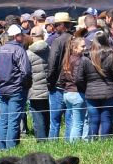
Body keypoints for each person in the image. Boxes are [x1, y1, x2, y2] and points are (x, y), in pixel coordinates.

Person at [76, 33, 113, 138]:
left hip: (91, 93)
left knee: (93, 119)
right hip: (109, 92)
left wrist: (86, 88)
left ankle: (93, 140)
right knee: (106, 117)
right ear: (106, 41)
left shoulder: (86, 57)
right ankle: (104, 141)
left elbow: (78, 79)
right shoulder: (111, 55)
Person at [0, 24, 31, 149]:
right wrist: (24, 86)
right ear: (16, 36)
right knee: (13, 121)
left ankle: (2, 149)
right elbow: (25, 72)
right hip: (16, 90)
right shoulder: (19, 50)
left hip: (2, 90)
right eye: (21, 35)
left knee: (4, 120)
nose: (23, 37)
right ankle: (11, 149)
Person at [47, 12, 74, 140]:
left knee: (55, 119)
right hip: (72, 84)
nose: (55, 28)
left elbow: (52, 64)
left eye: (57, 25)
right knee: (70, 118)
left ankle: (53, 143)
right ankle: (69, 142)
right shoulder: (75, 39)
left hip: (58, 84)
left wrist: (49, 82)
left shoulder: (58, 41)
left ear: (63, 25)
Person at [59, 37, 86, 142]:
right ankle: (74, 145)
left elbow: (61, 79)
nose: (85, 48)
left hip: (67, 94)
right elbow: (78, 79)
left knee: (72, 121)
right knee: (78, 123)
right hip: (76, 94)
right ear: (75, 48)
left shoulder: (67, 59)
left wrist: (66, 87)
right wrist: (84, 88)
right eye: (82, 46)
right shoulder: (79, 60)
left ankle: (69, 142)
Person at [26, 26, 50, 141]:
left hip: (34, 89)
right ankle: (49, 137)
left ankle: (41, 140)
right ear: (43, 36)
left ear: (32, 36)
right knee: (47, 115)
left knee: (37, 116)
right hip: (48, 88)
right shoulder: (50, 49)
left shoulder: (28, 54)